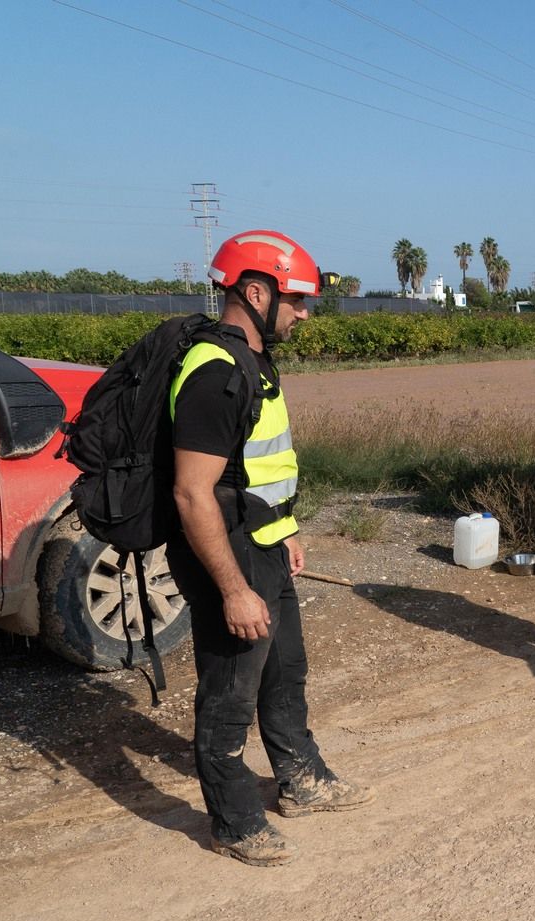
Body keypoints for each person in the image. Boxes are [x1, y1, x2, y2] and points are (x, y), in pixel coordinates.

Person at [167, 230, 372, 866]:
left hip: (265, 543)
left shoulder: (253, 362)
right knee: (229, 690)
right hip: (227, 553)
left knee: (284, 669)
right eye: (299, 301)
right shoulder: (216, 373)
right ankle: (233, 821)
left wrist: (288, 532)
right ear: (257, 291)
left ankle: (301, 779)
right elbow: (193, 494)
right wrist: (233, 589)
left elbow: (257, 469)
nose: (305, 314)